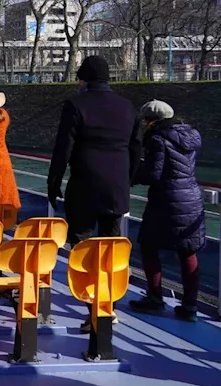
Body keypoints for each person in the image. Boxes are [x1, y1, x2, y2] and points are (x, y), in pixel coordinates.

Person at [47, 56, 142, 245]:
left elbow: (64, 148)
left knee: (81, 242)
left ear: (84, 79)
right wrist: (127, 179)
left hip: (84, 185)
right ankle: (107, 275)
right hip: (117, 188)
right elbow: (136, 147)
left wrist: (54, 181)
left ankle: (84, 275)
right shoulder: (127, 107)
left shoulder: (76, 104)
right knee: (111, 246)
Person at [128, 100, 204, 322]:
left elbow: (154, 173)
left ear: (152, 121)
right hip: (191, 197)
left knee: (149, 246)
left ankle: (155, 298)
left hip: (165, 200)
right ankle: (189, 306)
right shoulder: (189, 136)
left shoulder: (158, 139)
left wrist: (131, 175)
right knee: (187, 251)